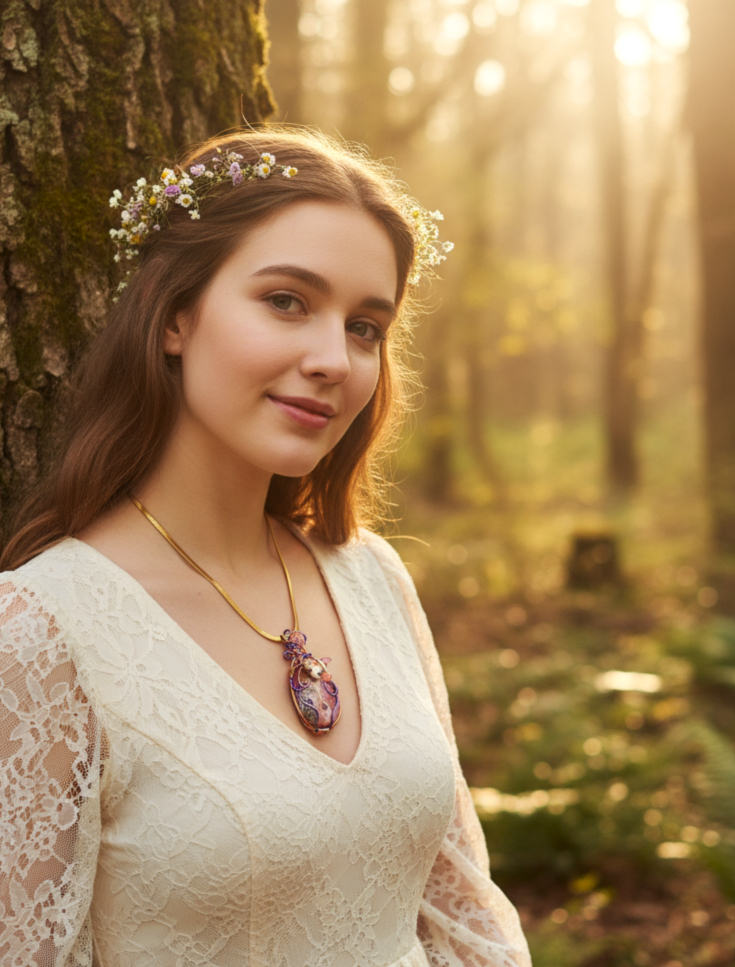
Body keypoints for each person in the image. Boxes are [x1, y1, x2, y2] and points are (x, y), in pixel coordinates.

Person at [0, 127, 531, 967]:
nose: (333, 359)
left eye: (364, 326)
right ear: (175, 314)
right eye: (287, 300)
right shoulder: (42, 631)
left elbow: (463, 919)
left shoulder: (372, 580)